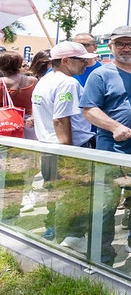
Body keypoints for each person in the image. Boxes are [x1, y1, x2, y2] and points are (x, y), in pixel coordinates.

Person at [80, 25, 131, 265]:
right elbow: (89, 109)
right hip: (111, 153)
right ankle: (102, 252)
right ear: (111, 46)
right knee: (106, 205)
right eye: (120, 44)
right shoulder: (100, 74)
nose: (126, 48)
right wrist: (114, 127)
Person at [31, 41, 97, 251]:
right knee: (75, 196)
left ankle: (55, 231)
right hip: (68, 149)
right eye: (82, 60)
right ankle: (73, 237)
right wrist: (70, 155)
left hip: (49, 148)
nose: (86, 64)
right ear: (67, 61)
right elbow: (60, 120)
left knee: (56, 194)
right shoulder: (67, 83)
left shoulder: (45, 80)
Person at [0, 50, 37, 139]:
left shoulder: (1, 82)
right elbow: (37, 102)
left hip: (4, 123)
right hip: (27, 123)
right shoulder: (33, 81)